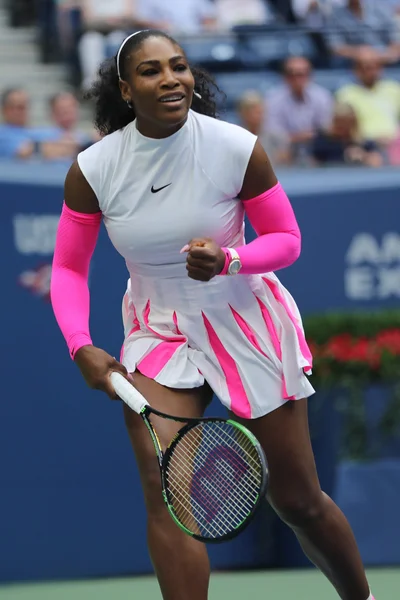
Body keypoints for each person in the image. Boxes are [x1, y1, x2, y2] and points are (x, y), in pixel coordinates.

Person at [50, 29, 376, 600]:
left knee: (298, 500)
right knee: (166, 493)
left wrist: (230, 259)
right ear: (126, 90)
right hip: (158, 328)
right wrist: (81, 344)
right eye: (152, 72)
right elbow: (68, 270)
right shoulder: (94, 168)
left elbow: (287, 239)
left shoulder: (234, 146)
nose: (171, 79)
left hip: (244, 316)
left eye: (179, 67)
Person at [267, 56, 334, 164]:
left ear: (310, 76)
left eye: (301, 74)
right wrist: (303, 137)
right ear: (285, 77)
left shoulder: (322, 96)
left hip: (317, 151)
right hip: (284, 151)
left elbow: (327, 130)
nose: (297, 79)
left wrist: (298, 137)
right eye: (291, 75)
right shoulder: (273, 99)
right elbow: (273, 134)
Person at [336, 47, 400, 146]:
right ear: (357, 70)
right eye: (367, 67)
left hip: (395, 145)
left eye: (376, 66)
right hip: (364, 146)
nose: (373, 72)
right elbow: (345, 129)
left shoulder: (394, 89)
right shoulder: (346, 94)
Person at [326, 0, 400, 65]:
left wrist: (379, 56)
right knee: (336, 62)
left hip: (384, 58)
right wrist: (360, 54)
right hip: (351, 62)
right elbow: (335, 47)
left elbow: (396, 42)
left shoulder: (382, 10)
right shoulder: (335, 16)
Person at [311, 102, 383, 167]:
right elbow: (313, 165)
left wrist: (364, 156)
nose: (344, 127)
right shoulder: (323, 141)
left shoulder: (364, 142)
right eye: (340, 122)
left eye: (347, 123)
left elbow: (376, 163)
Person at [236, 90, 290, 165]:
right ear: (243, 113)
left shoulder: (277, 136)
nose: (258, 116)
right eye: (253, 112)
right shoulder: (235, 137)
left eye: (259, 111)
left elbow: (284, 160)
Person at [0, 88, 35, 159]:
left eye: (25, 106)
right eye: (19, 107)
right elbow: (22, 152)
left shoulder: (38, 132)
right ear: (5, 109)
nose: (22, 111)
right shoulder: (2, 135)